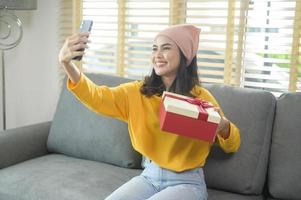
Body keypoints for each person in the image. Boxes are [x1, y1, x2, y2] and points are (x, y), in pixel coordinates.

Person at [58, 24, 240, 200]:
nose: (157, 55)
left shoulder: (201, 98)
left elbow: (232, 144)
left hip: (187, 182)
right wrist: (66, 64)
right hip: (149, 176)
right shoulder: (138, 93)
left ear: (185, 55)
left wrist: (224, 127)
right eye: (154, 49)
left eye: (166, 48)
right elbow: (96, 97)